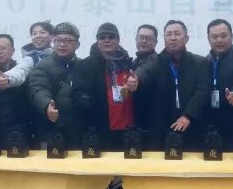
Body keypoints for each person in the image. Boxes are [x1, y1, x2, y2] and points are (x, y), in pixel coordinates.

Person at [72, 22, 140, 151]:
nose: (106, 40)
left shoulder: (128, 64)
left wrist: (135, 89)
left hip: (128, 129)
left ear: (118, 40)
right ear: (97, 41)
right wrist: (84, 99)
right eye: (102, 37)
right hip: (99, 129)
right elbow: (77, 94)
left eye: (111, 37)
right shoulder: (85, 65)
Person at [150, 20, 209, 151]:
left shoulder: (200, 62)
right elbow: (144, 73)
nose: (173, 38)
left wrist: (187, 115)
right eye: (168, 34)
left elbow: (202, 91)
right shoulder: (156, 62)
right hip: (163, 127)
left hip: (192, 124)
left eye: (177, 34)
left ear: (186, 38)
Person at [29, 22, 82, 148]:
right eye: (58, 40)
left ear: (77, 45)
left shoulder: (83, 66)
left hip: (78, 131)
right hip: (51, 130)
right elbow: (38, 89)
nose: (62, 44)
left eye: (67, 40)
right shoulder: (42, 66)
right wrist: (47, 104)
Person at [204, 19, 233, 151]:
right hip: (212, 124)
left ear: (231, 36)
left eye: (223, 36)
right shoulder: (206, 60)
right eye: (214, 37)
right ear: (208, 39)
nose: (219, 40)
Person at [0, 21, 54, 89]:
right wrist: (8, 78)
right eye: (34, 34)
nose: (38, 36)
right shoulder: (31, 58)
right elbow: (20, 70)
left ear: (52, 37)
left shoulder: (59, 55)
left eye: (42, 32)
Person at [132, 24, 159, 133]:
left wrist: (135, 78)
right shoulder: (134, 62)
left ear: (155, 42)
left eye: (148, 38)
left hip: (151, 123)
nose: (143, 41)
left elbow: (145, 71)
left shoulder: (156, 60)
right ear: (136, 39)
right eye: (141, 37)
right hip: (136, 121)